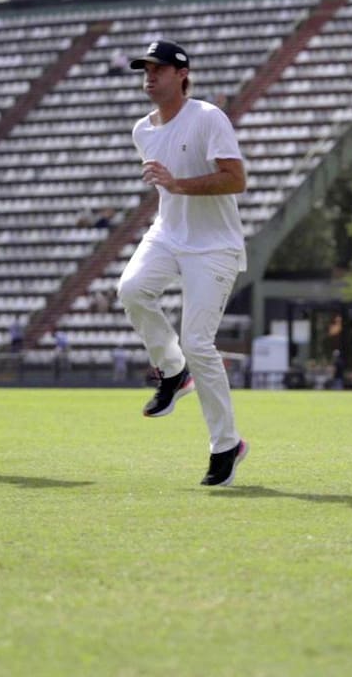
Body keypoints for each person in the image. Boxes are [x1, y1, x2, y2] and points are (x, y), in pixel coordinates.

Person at [117, 39, 249, 487]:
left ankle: (226, 445)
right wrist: (172, 190)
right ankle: (173, 373)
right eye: (145, 70)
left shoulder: (209, 117)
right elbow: (167, 190)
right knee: (131, 291)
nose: (149, 76)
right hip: (168, 233)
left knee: (198, 341)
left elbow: (236, 179)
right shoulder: (142, 130)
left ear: (182, 74)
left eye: (158, 69)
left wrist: (179, 184)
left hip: (215, 245)